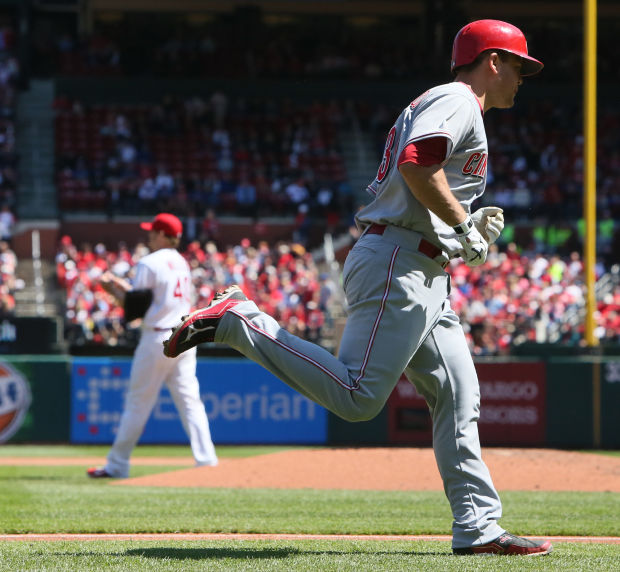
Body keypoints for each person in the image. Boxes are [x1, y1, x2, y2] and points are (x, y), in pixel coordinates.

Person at [163, 20, 551, 556]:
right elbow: (419, 165)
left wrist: (456, 228)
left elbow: (420, 175)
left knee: (459, 393)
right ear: (490, 61)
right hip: (400, 260)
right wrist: (462, 225)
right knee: (357, 397)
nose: (522, 78)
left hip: (422, 265)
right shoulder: (459, 99)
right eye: (517, 66)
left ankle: (478, 527)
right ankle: (240, 321)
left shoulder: (453, 104)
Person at [87, 212, 218, 478]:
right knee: (191, 402)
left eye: (152, 231)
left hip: (157, 338)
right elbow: (154, 297)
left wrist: (112, 290)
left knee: (138, 403)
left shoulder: (149, 262)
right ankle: (207, 461)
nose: (149, 235)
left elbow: (136, 308)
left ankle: (117, 465)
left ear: (161, 234)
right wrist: (123, 286)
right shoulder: (182, 262)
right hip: (184, 337)